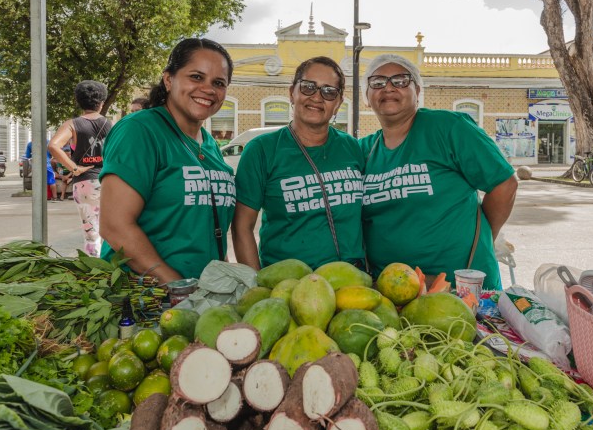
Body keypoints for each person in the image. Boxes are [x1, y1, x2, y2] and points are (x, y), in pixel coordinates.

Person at [360, 54, 518, 289]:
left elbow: (504, 183)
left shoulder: (450, 128)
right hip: (391, 290)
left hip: (460, 286)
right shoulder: (364, 150)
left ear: (418, 90)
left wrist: (486, 235)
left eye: (401, 80)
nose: (389, 87)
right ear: (366, 97)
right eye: (378, 82)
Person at [99, 38, 236, 282]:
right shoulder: (140, 130)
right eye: (196, 77)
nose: (208, 89)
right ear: (169, 79)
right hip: (145, 298)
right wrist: (174, 283)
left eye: (218, 83)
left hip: (200, 297)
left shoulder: (209, 143)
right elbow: (115, 226)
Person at [232, 57, 365, 271]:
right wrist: (256, 285)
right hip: (286, 285)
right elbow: (242, 227)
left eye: (329, 91)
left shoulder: (352, 147)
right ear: (292, 92)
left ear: (339, 102)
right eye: (308, 87)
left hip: (350, 283)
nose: (316, 97)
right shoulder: (261, 150)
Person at [48, 80, 113, 255]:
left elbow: (54, 146)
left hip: (84, 184)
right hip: (110, 182)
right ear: (101, 103)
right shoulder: (111, 125)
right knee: (112, 231)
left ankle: (96, 272)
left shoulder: (73, 124)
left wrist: (74, 168)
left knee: (91, 233)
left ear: (78, 101)